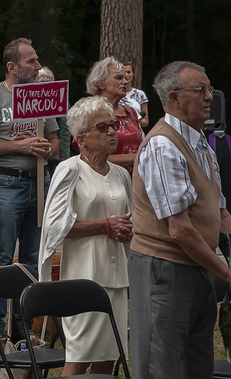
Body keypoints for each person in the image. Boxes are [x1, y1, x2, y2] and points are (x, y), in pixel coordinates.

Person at [128, 61, 231, 379]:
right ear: (174, 98)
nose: (209, 96)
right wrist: (226, 274)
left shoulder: (203, 144)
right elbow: (179, 228)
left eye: (210, 89)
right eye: (200, 90)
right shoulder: (162, 145)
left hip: (199, 267)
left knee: (197, 365)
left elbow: (222, 213)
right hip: (165, 270)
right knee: (162, 366)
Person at [0, 37, 59, 343]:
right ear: (12, 67)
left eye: (36, 60)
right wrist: (19, 145)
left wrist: (47, 149)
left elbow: (56, 139)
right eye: (30, 61)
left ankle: (23, 326)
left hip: (40, 181)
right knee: (2, 257)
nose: (37, 66)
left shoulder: (42, 95)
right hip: (7, 181)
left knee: (34, 256)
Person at [38, 96, 132, 375]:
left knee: (108, 356)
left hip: (116, 278)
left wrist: (127, 229)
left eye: (113, 125)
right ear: (82, 138)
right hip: (83, 278)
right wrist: (104, 226)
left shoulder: (120, 174)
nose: (112, 132)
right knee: (79, 356)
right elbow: (55, 226)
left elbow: (129, 220)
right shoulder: (70, 169)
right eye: (102, 127)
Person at [85, 57, 143, 174]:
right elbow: (88, 157)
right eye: (118, 78)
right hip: (106, 180)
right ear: (101, 84)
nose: (125, 82)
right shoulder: (90, 113)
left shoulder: (130, 112)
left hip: (135, 181)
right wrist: (133, 158)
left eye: (126, 78)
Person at [36, 67, 70, 176]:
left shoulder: (59, 100)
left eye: (46, 82)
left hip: (54, 152)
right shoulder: (31, 100)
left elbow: (65, 129)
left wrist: (64, 154)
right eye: (41, 81)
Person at [121, 60, 149, 128]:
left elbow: (146, 121)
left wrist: (134, 120)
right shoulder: (114, 93)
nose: (126, 75)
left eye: (129, 72)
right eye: (124, 72)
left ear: (133, 74)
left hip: (136, 132)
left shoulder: (140, 94)